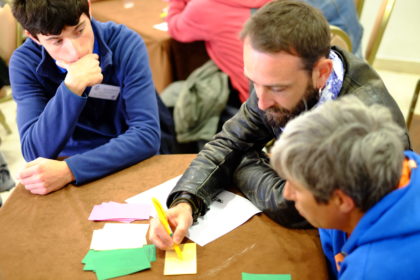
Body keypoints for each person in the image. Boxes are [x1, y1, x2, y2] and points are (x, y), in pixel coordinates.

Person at [148, 0, 409, 250]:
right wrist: (186, 201)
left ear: (322, 72)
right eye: (254, 82)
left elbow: (292, 207)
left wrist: (239, 162)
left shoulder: (367, 126)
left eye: (277, 88)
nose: (261, 102)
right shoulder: (275, 78)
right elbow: (228, 142)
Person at [9, 0, 161, 195]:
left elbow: (146, 135)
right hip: (66, 163)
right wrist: (72, 87)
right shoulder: (24, 63)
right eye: (57, 41)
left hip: (128, 157)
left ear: (89, 8)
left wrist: (71, 170)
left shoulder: (125, 42)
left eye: (79, 30)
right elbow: (35, 152)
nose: (76, 51)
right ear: (34, 37)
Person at [270, 96, 420, 279]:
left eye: (296, 187)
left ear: (341, 200)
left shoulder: (372, 270)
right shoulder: (402, 163)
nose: (287, 193)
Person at [166, 0, 363, 105]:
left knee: (172, 97)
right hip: (341, 84)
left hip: (259, 98)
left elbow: (175, 27)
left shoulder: (205, 8)